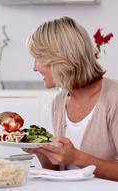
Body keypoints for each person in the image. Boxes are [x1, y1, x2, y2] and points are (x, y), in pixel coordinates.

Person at [26, 16, 118, 181]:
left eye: (39, 58)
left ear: (61, 59)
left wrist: (76, 157)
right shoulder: (60, 102)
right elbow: (61, 170)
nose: (34, 67)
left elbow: (73, 160)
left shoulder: (114, 98)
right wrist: (41, 151)